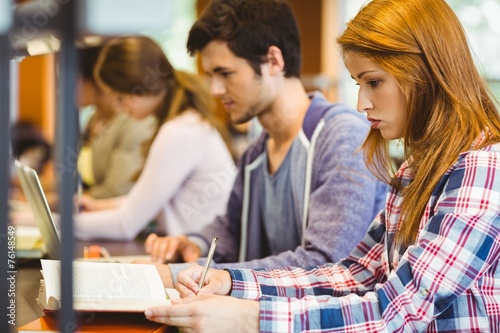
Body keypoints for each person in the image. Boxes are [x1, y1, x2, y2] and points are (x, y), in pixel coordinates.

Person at [144, 0, 500, 331]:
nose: (362, 103)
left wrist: (249, 317)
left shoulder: (482, 169)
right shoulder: (413, 170)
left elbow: (398, 311)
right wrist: (233, 282)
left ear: (426, 72)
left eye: (374, 82)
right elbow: (354, 274)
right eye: (359, 84)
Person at [143, 0, 387, 288]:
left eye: (225, 73)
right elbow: (230, 231)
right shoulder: (256, 153)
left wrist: (179, 275)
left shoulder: (341, 136)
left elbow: (325, 263)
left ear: (273, 61)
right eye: (210, 76)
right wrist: (193, 244)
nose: (215, 90)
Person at [74, 35, 235, 240]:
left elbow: (126, 224)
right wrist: (101, 205)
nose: (119, 108)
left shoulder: (180, 131)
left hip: (203, 257)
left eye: (121, 98)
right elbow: (149, 200)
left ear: (141, 87)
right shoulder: (184, 122)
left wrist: (59, 223)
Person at [76, 44, 155, 199]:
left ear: (94, 80)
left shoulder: (134, 122)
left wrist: (61, 202)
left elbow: (117, 191)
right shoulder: (94, 118)